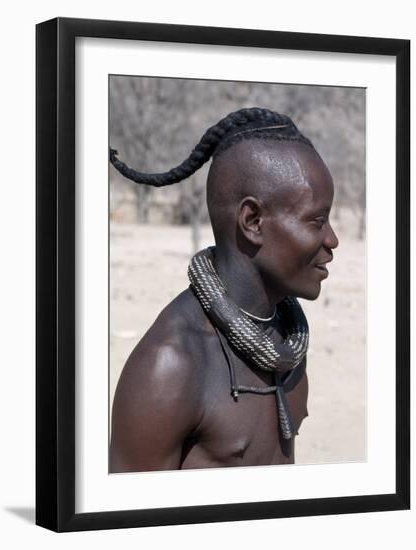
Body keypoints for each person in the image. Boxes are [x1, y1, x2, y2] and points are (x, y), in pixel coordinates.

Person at [109, 107, 339, 472]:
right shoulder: (170, 367)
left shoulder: (286, 342)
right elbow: (127, 525)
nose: (332, 240)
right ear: (253, 221)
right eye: (316, 220)